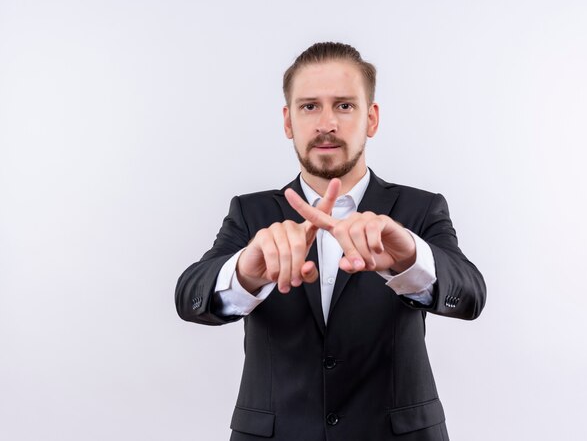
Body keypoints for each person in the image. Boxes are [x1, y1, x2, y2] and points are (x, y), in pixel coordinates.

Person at [175, 42, 486, 441]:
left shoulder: (419, 209)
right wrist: (244, 273)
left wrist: (410, 258)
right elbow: (189, 297)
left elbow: (472, 295)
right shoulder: (250, 214)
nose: (326, 123)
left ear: (371, 118)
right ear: (288, 122)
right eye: (309, 107)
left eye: (344, 106)